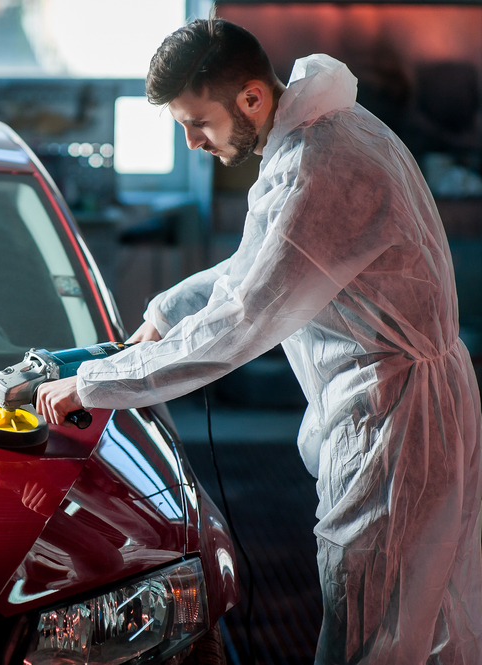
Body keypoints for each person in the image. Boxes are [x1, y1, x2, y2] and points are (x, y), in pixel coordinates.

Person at [35, 17, 482, 664]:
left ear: (250, 98)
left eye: (199, 123)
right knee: (428, 616)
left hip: (393, 421)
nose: (192, 142)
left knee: (370, 623)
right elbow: (264, 261)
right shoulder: (326, 130)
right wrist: (166, 312)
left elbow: (244, 319)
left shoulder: (317, 166)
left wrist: (95, 384)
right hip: (414, 401)